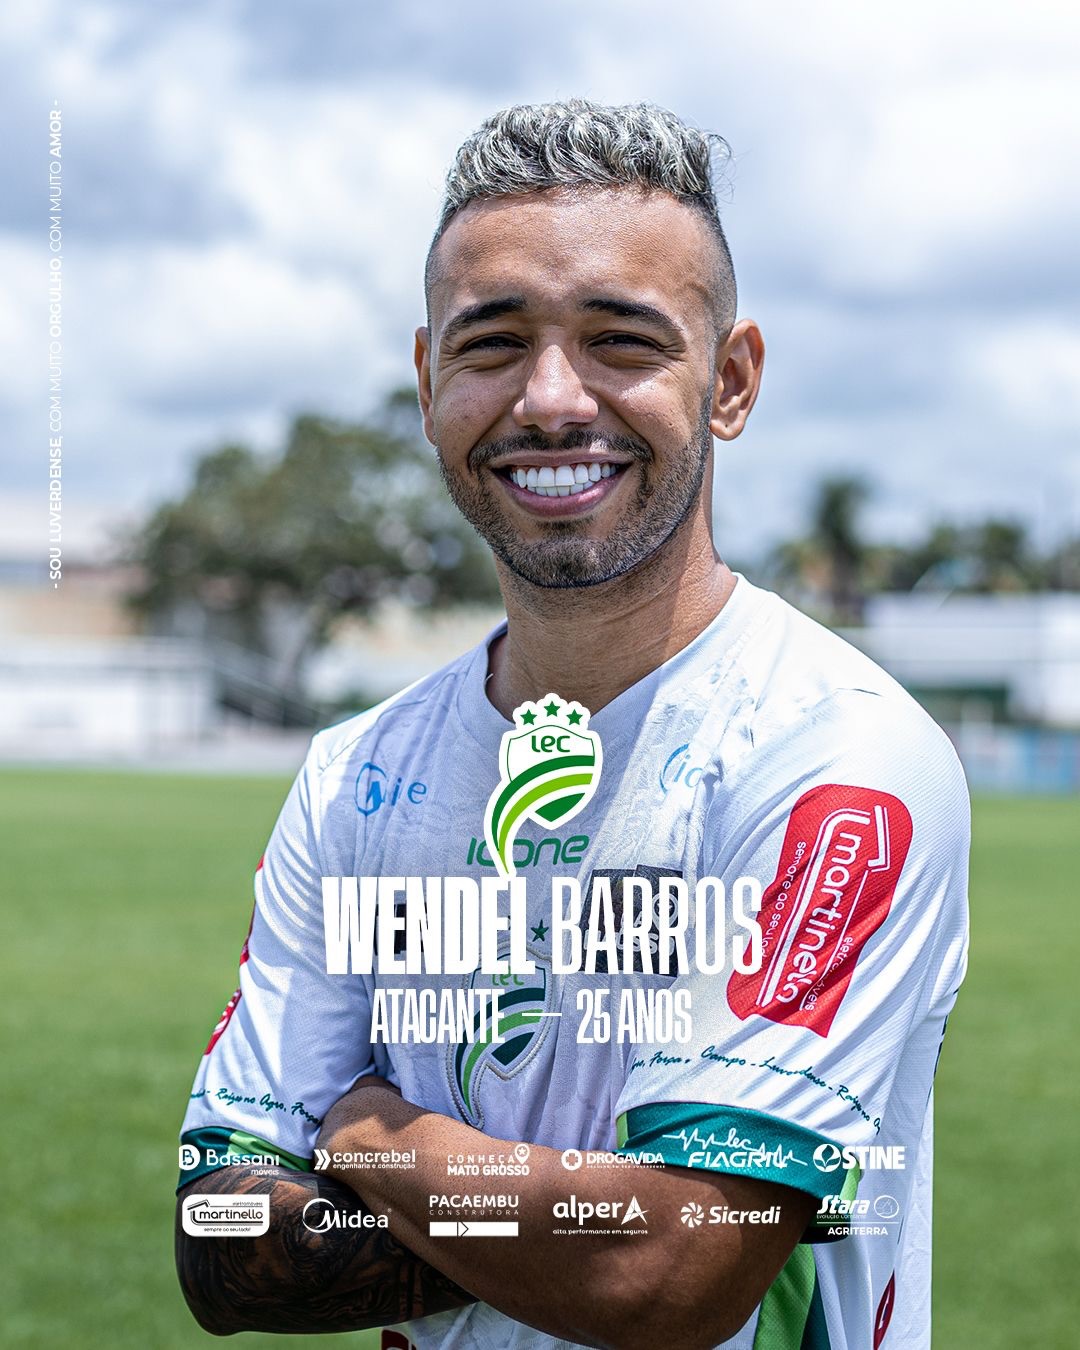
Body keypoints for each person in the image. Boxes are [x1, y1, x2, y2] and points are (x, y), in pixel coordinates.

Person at [175, 100, 968, 1349]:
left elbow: (666, 1272)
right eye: (493, 345)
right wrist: (573, 1216)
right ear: (429, 383)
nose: (550, 401)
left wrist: (374, 1133)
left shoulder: (837, 758)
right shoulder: (356, 774)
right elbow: (220, 1243)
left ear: (731, 382)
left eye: (620, 341)